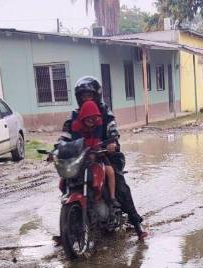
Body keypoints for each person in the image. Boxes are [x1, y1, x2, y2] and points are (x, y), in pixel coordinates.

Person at [59, 76, 147, 239]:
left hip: (106, 154)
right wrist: (59, 147)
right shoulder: (74, 116)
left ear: (96, 96)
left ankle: (136, 223)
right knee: (66, 181)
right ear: (78, 98)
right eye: (83, 96)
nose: (86, 99)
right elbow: (64, 135)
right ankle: (67, 228)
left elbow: (113, 130)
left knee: (120, 184)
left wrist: (112, 142)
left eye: (89, 95)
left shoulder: (105, 113)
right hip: (82, 157)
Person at [70, 99, 115, 203]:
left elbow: (97, 138)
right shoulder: (75, 124)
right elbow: (75, 141)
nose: (91, 122)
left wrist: (97, 149)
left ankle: (113, 198)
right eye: (88, 119)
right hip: (80, 155)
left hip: (96, 152)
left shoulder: (99, 121)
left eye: (94, 119)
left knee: (110, 171)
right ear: (83, 117)